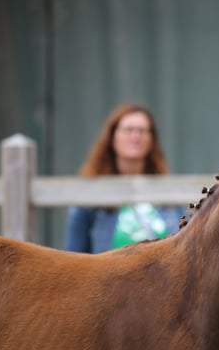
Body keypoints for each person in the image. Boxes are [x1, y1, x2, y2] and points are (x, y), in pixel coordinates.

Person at [64, 103, 186, 253]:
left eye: (142, 131)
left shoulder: (169, 195)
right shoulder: (89, 198)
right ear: (112, 138)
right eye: (128, 130)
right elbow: (74, 258)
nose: (135, 137)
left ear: (151, 141)